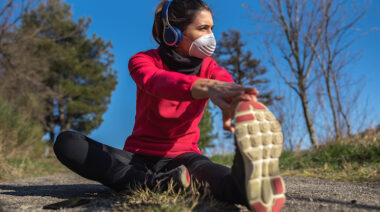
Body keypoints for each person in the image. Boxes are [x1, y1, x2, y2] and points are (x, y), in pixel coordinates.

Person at [53, 0, 286, 211]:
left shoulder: (210, 68)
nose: (211, 35)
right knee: (68, 142)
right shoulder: (143, 61)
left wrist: (238, 100)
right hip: (138, 160)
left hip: (185, 159)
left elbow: (224, 82)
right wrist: (207, 87)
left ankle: (247, 182)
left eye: (212, 28)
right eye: (203, 28)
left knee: (222, 181)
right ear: (173, 33)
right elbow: (157, 82)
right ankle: (159, 184)